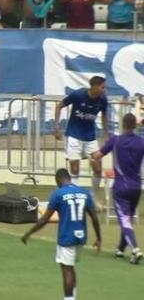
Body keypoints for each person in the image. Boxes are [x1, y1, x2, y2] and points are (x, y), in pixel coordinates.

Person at [21, 168, 102, 300]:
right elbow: (94, 217)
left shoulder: (58, 194)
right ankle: (72, 297)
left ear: (57, 180)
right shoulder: (84, 192)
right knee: (71, 267)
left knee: (66, 270)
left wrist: (29, 233)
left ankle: (69, 298)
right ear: (69, 178)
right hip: (81, 237)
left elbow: (44, 219)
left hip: (66, 236)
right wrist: (99, 238)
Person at [91, 113, 144, 264]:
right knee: (127, 220)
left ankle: (135, 249)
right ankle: (120, 249)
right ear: (135, 125)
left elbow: (97, 155)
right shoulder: (141, 142)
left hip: (120, 187)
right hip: (136, 187)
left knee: (124, 220)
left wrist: (90, 156)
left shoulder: (116, 140)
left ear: (122, 124)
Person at [54, 75, 108, 208]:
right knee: (75, 168)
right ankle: (76, 199)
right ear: (94, 86)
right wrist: (56, 127)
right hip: (74, 136)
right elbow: (59, 106)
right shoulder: (78, 95)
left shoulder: (102, 99)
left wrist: (106, 134)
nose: (104, 90)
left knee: (97, 168)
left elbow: (105, 115)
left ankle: (93, 196)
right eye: (103, 87)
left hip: (90, 138)